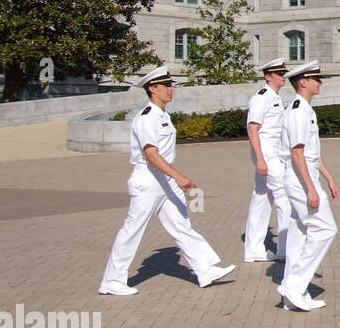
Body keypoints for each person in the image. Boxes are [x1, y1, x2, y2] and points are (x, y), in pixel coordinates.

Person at [98, 67, 237, 296]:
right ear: (153, 88)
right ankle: (112, 280)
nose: (171, 89)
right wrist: (178, 176)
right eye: (166, 86)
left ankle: (205, 269)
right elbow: (151, 154)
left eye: (171, 85)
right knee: (132, 230)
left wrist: (172, 177)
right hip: (148, 180)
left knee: (181, 225)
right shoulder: (147, 117)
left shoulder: (163, 115)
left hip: (164, 179)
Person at [278, 60, 338, 312]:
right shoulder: (298, 111)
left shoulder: (305, 109)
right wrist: (312, 189)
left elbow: (312, 152)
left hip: (306, 175)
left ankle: (292, 296)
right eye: (316, 79)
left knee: (299, 235)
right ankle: (293, 286)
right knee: (325, 229)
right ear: (303, 82)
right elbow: (297, 152)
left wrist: (328, 177)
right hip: (301, 179)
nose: (320, 82)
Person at [242, 58, 292, 263]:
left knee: (261, 200)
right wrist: (261, 160)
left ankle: (253, 249)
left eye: (284, 73)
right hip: (266, 153)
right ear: (268, 76)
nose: (283, 77)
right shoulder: (261, 98)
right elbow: (253, 128)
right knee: (283, 197)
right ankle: (286, 249)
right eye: (279, 74)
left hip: (272, 152)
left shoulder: (275, 97)